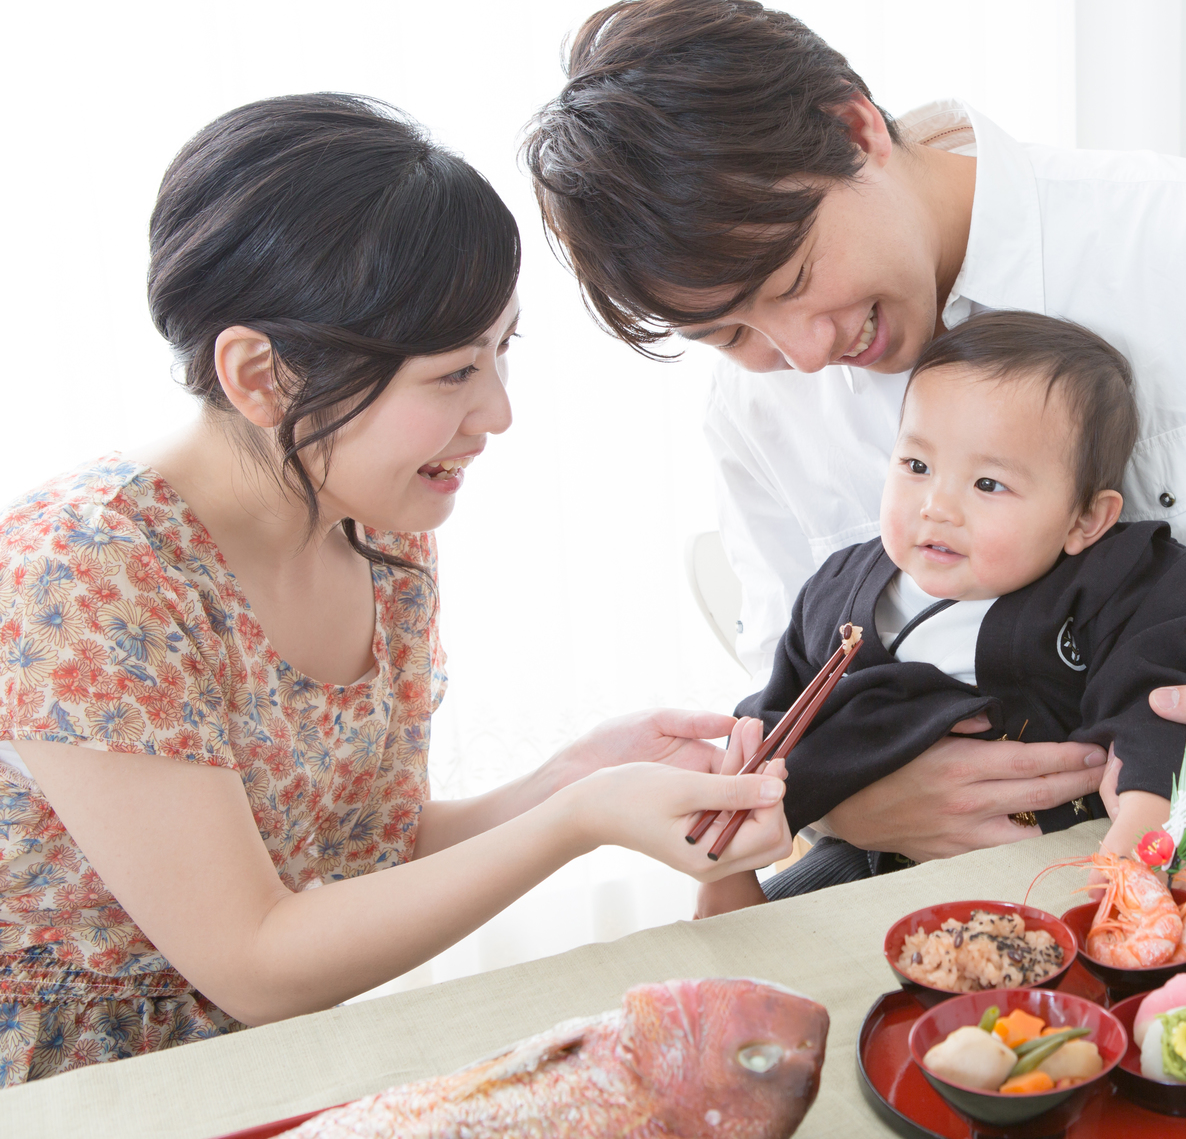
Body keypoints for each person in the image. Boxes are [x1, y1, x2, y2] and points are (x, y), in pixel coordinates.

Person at [523, 0, 1186, 875]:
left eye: (796, 279)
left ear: (857, 129)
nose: (804, 355)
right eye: (732, 335)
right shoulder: (756, 414)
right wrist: (847, 807)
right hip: (909, 890)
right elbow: (789, 673)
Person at [0, 95, 792, 1087]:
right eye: (454, 372)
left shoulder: (372, 522)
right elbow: (255, 961)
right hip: (74, 1093)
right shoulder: (84, 576)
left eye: (502, 352)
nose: (497, 411)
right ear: (261, 375)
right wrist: (578, 819)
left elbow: (363, 849)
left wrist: (570, 778)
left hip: (267, 1066)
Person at [699, 312, 1186, 915]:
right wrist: (727, 872)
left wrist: (1138, 841)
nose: (937, 507)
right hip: (868, 860)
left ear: (1085, 520)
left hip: (1063, 859)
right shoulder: (836, 594)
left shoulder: (1121, 583)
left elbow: (1165, 703)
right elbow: (768, 733)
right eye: (917, 467)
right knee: (747, 943)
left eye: (988, 484)